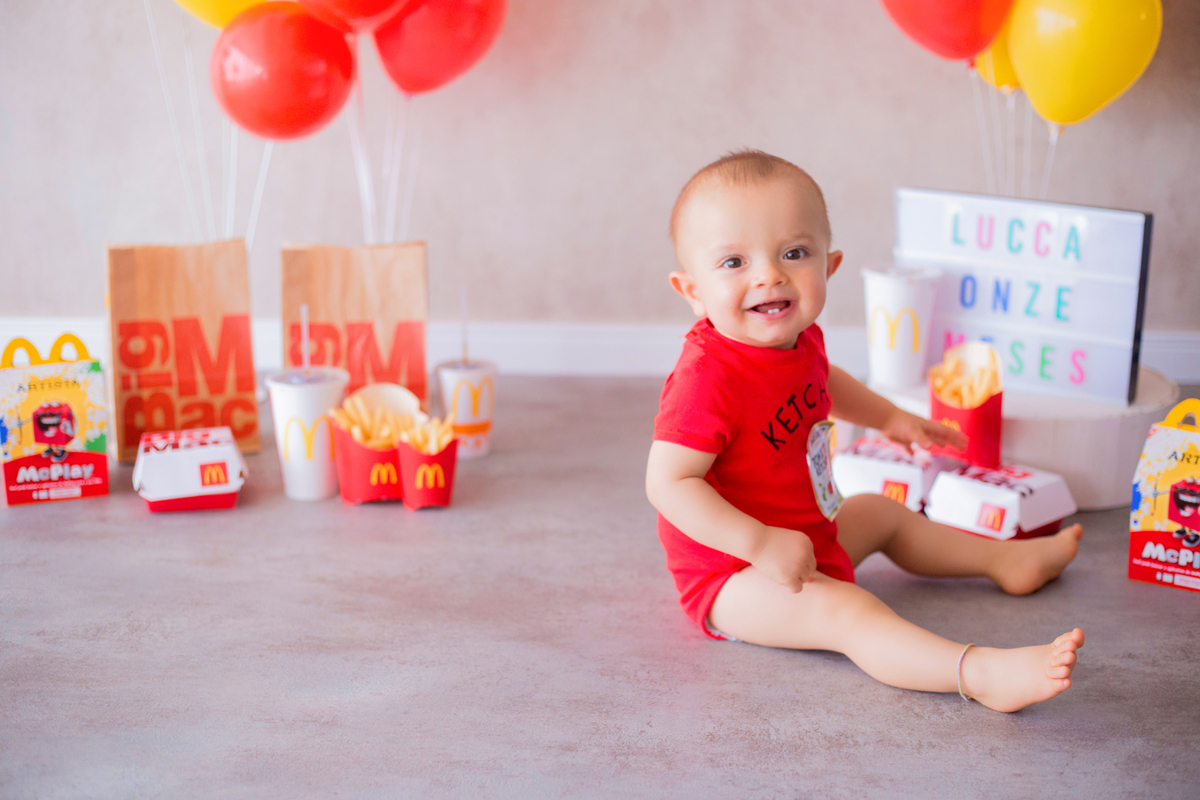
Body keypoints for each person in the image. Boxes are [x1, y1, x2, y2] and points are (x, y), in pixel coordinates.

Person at [644, 150, 1084, 713]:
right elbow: (669, 483)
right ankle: (980, 674)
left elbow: (824, 380)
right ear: (691, 290)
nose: (768, 274)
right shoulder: (707, 378)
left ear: (829, 265)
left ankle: (1006, 561)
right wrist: (760, 543)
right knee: (849, 612)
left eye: (794, 253)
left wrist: (891, 418)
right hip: (732, 575)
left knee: (881, 512)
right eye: (734, 262)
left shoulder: (799, 337)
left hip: (806, 535)